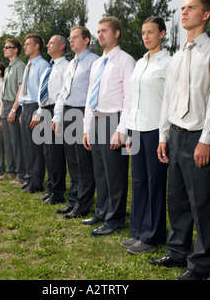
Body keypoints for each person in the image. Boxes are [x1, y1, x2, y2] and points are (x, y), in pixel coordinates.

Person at [150, 0, 210, 280]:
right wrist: (163, 136)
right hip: (176, 136)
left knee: (202, 202)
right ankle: (177, 251)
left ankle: (200, 263)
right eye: (182, 8)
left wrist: (206, 139)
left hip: (199, 136)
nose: (184, 12)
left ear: (205, 15)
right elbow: (169, 99)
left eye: (191, 8)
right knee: (178, 198)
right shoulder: (178, 55)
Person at [121, 16, 171, 255]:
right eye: (143, 33)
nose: (146, 37)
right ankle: (138, 232)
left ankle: (153, 236)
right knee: (139, 182)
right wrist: (129, 130)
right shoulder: (140, 62)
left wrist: (164, 135)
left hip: (155, 130)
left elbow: (169, 102)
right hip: (137, 129)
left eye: (151, 32)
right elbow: (133, 100)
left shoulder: (168, 63)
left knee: (154, 184)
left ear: (162, 33)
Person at [82, 17, 136, 236]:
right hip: (96, 120)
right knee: (101, 172)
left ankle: (114, 219)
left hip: (114, 120)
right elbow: (89, 97)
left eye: (104, 30)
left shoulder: (125, 60)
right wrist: (86, 128)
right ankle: (102, 212)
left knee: (115, 174)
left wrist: (122, 129)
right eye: (98, 31)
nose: (100, 35)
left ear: (116, 33)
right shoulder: (97, 63)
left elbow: (130, 98)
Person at [53, 26, 98, 219]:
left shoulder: (94, 62)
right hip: (68, 111)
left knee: (83, 163)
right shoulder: (72, 63)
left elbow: (93, 93)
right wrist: (57, 116)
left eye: (75, 38)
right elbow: (63, 91)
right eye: (70, 38)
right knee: (72, 160)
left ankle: (83, 205)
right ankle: (72, 201)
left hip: (82, 112)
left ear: (86, 40)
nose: (71, 41)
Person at [36, 35, 69, 205]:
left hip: (58, 110)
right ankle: (50, 188)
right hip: (45, 110)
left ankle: (58, 192)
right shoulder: (49, 67)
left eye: (51, 43)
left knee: (56, 154)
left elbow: (63, 94)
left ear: (62, 46)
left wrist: (57, 116)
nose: (47, 45)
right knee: (47, 152)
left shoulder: (65, 67)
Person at [16, 34, 49, 194]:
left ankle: (36, 182)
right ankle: (29, 178)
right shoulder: (28, 65)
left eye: (28, 44)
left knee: (36, 148)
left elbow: (44, 91)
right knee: (27, 146)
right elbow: (25, 90)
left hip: (36, 107)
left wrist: (38, 112)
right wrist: (22, 108)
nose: (25, 46)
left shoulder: (42, 65)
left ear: (37, 46)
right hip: (26, 107)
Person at [0, 38, 26, 183]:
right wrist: (1, 110)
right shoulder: (9, 67)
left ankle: (21, 174)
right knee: (7, 141)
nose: (4, 49)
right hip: (5, 104)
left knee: (16, 141)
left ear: (15, 49)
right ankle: (11, 171)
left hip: (15, 105)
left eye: (7, 47)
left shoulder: (20, 66)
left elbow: (20, 89)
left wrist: (14, 110)